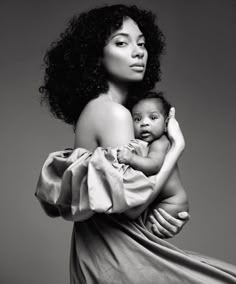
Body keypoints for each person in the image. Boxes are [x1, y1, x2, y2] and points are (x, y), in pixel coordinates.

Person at [36, 4, 236, 283]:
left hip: (104, 256)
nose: (138, 51)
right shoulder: (113, 114)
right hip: (119, 258)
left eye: (141, 43)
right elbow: (132, 206)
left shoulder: (101, 110)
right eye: (121, 42)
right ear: (95, 55)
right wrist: (176, 148)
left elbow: (120, 199)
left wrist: (165, 216)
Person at [117, 91, 189, 236]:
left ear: (166, 124)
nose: (144, 123)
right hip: (158, 201)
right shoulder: (144, 143)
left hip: (171, 203)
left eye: (153, 117)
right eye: (137, 119)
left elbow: (153, 165)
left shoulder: (160, 142)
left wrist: (131, 158)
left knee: (142, 238)